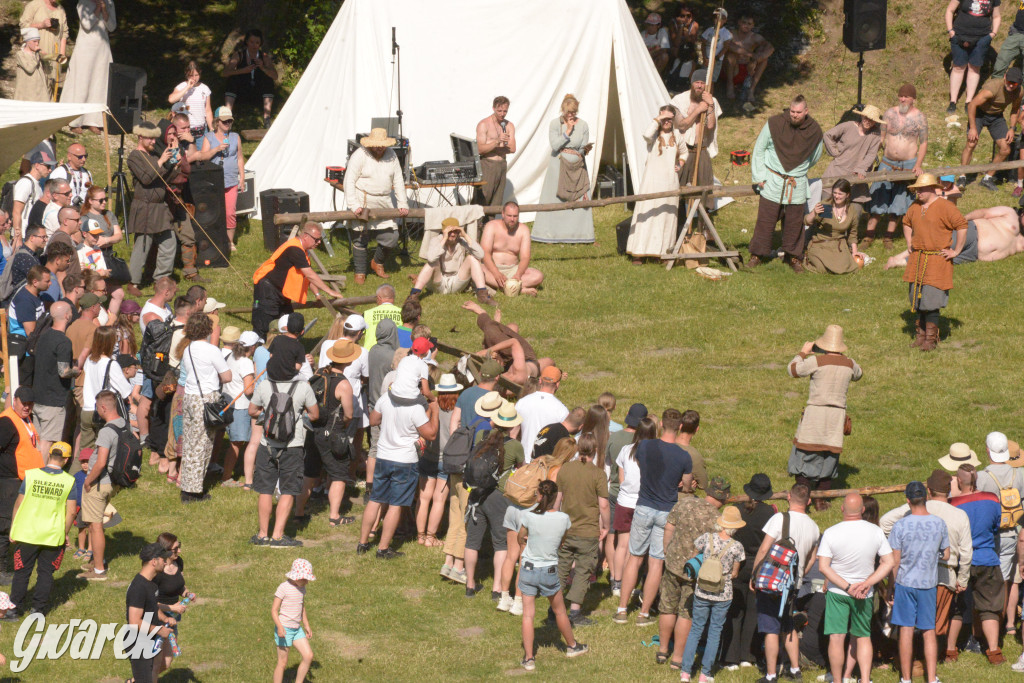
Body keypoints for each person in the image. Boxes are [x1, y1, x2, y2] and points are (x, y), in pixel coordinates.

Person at [880, 469, 973, 661]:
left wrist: (902, 542)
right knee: (934, 627)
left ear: (929, 490)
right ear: (948, 491)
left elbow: (885, 522)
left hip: (913, 570)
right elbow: (966, 553)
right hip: (945, 573)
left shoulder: (914, 508)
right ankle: (928, 665)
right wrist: (962, 579)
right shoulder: (959, 514)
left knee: (910, 624)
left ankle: (911, 663)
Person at [615, 409, 693, 626]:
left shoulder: (646, 447)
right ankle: (644, 613)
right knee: (656, 562)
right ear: (679, 428)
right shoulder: (683, 456)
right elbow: (686, 485)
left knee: (635, 557)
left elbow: (642, 466)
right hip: (667, 510)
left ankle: (621, 609)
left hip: (643, 506)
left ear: (661, 426)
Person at [357, 368, 439, 559]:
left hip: (384, 456)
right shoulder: (416, 408)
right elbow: (431, 434)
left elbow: (373, 419)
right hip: (405, 460)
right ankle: (383, 548)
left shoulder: (386, 398)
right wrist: (434, 413)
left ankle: (363, 543)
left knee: (376, 499)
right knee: (396, 504)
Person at [816, 493, 894, 683]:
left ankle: (837, 679)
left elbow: (823, 567)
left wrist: (847, 586)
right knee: (862, 636)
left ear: (842, 508)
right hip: (864, 592)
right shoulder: (875, 531)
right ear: (863, 510)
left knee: (836, 637)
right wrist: (867, 583)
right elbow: (888, 562)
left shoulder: (831, 532)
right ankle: (865, 679)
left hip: (838, 592)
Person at [655, 473, 727, 668]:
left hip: (672, 563)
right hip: (695, 571)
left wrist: (666, 548)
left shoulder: (685, 503)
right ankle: (677, 658)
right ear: (724, 498)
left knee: (667, 607)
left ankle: (662, 650)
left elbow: (669, 526)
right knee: (686, 613)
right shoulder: (718, 519)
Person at [249, 345, 318, 548]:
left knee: (265, 490)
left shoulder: (264, 386)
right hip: (293, 445)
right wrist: (301, 415)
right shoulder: (303, 387)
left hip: (267, 444)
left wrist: (266, 415)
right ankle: (278, 536)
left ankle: (262, 534)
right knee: (288, 490)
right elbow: (314, 414)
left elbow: (252, 410)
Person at [750, 484, 820, 683]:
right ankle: (795, 669)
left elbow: (764, 549)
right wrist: (799, 575)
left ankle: (771, 675)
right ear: (808, 501)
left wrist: (756, 576)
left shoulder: (780, 518)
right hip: (792, 584)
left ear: (789, 497)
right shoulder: (814, 527)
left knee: (770, 627)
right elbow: (812, 558)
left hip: (772, 582)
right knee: (788, 625)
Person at [746, 95, 824, 272]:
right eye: (792, 111)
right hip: (772, 181)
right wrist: (760, 176)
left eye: (798, 112)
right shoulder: (774, 124)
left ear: (806, 111)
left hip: (795, 183)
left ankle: (793, 256)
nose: (794, 115)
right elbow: (759, 149)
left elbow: (815, 157)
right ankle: (757, 254)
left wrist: (797, 171)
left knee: (794, 223)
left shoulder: (814, 131)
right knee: (765, 221)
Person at [787, 325, 862, 508]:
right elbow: (858, 374)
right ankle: (821, 500)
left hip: (816, 414)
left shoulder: (817, 361)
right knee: (829, 456)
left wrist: (803, 353)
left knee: (805, 454)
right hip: (836, 417)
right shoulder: (850, 364)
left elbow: (792, 370)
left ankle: (801, 500)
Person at [517, 480, 588, 671]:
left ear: (539, 496)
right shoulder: (564, 519)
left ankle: (529, 658)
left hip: (529, 569)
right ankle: (572, 646)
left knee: (528, 615)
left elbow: (519, 537)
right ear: (557, 496)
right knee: (560, 611)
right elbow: (561, 541)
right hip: (549, 570)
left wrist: (528, 540)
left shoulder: (529, 516)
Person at [889, 481, 952, 683]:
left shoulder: (900, 525)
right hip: (928, 583)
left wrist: (891, 586)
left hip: (905, 582)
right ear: (926, 498)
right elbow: (947, 554)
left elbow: (895, 561)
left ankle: (906, 678)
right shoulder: (939, 523)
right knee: (928, 631)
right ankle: (931, 678)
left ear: (908, 500)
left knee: (905, 631)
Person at [901, 173, 968, 352]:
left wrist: (956, 250)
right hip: (918, 257)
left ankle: (931, 339)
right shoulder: (915, 206)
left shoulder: (945, 207)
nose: (917, 193)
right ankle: (920, 336)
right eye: (916, 189)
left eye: (920, 189)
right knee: (916, 299)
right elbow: (906, 222)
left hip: (937, 259)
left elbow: (962, 225)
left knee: (931, 300)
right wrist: (909, 242)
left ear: (932, 188)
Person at [679, 506, 746, 683]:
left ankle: (685, 672)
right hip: (722, 594)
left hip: (701, 591)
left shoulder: (706, 538)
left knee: (696, 629)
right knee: (715, 631)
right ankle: (705, 673)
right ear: (735, 527)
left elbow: (695, 557)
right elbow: (735, 573)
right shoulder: (737, 547)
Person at [8, 441, 75, 616]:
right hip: (53, 536)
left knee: (22, 572)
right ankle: (38, 610)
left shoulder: (30, 476)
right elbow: (71, 513)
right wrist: (65, 533)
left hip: (27, 533)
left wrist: (13, 528)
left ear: (49, 455)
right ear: (66, 460)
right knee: (45, 573)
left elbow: (18, 504)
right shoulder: (69, 481)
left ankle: (14, 609)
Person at [949, 463, 1007, 665]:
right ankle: (994, 651)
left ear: (958, 480)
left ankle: (950, 651)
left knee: (955, 607)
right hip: (987, 558)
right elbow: (996, 525)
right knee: (990, 607)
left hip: (960, 561)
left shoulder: (953, 504)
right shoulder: (992, 499)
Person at [463, 404, 524, 597]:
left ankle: (470, 584)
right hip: (499, 497)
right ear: (513, 425)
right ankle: (497, 587)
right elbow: (520, 469)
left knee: (472, 541)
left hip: (476, 493)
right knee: (501, 543)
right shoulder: (515, 446)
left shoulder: (482, 437)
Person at [251, 221, 342, 340]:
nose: (319, 242)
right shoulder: (294, 249)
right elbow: (310, 274)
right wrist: (330, 291)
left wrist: (317, 294)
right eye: (316, 239)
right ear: (305, 236)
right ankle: (258, 351)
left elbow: (306, 277)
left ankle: (285, 348)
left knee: (290, 323)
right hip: (268, 290)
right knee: (263, 327)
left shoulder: (303, 251)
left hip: (281, 293)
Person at [864, 84, 928, 249]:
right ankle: (868, 236)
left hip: (908, 165)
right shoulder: (889, 114)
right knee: (877, 199)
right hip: (886, 162)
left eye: (906, 96)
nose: (903, 99)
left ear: (913, 98)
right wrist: (869, 160)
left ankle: (888, 237)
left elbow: (923, 143)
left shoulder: (920, 117)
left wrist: (918, 165)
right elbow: (881, 138)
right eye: (901, 96)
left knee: (899, 203)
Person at [722, 474, 776, 669]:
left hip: (736, 563)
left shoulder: (736, 510)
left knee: (734, 611)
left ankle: (730, 658)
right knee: (753, 612)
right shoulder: (771, 513)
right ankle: (748, 656)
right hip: (758, 565)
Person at [555, 432, 609, 624]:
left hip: (566, 530)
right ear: (595, 450)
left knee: (562, 568)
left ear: (578, 448)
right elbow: (603, 505)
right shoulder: (598, 474)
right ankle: (575, 613)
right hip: (588, 531)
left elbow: (557, 499)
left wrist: (554, 521)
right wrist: (607, 526)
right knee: (583, 571)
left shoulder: (565, 469)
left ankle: (555, 610)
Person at [344, 128, 410, 284]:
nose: (380, 148)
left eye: (382, 145)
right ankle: (360, 272)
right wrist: (354, 205)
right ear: (371, 143)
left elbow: (398, 180)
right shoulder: (359, 155)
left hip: (384, 202)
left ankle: (377, 262)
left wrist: (402, 203)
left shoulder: (391, 155)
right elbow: (349, 181)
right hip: (362, 200)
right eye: (376, 145)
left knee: (392, 236)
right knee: (361, 238)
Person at [178, 312, 230, 504]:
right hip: (206, 398)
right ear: (207, 329)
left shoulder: (188, 349)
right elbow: (227, 376)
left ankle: (187, 486)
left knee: (190, 442)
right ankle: (194, 491)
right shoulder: (211, 350)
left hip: (190, 397)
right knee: (202, 445)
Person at [626, 105, 685, 262]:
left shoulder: (678, 136)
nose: (666, 122)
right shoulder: (653, 135)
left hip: (669, 182)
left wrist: (679, 164)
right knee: (647, 214)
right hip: (651, 181)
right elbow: (646, 135)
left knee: (666, 216)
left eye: (669, 119)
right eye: (664, 119)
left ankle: (664, 252)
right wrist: (659, 119)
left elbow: (684, 152)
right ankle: (638, 252)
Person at [532, 95, 595, 244]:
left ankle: (580, 235)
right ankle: (549, 235)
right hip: (558, 165)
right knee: (555, 198)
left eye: (573, 111)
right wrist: (567, 131)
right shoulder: (555, 124)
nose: (571, 115)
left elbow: (581, 146)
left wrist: (584, 150)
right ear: (563, 110)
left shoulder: (584, 124)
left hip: (577, 166)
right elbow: (555, 145)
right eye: (568, 112)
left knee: (580, 196)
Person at [77, 390, 125, 581]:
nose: (97, 411)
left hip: (98, 483)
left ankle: (98, 570)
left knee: (95, 526)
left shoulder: (106, 431)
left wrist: (88, 480)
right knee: (98, 524)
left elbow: (101, 462)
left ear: (103, 407)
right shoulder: (123, 424)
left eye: (97, 407)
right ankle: (98, 561)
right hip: (112, 482)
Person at [127, 121, 181, 289]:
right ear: (141, 137)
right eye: (150, 139)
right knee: (142, 246)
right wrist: (162, 161)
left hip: (160, 207)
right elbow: (146, 178)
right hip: (145, 207)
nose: (153, 142)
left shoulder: (153, 157)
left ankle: (161, 279)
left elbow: (164, 179)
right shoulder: (134, 157)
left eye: (154, 139)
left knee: (169, 243)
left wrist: (173, 164)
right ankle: (133, 282)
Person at [311, 339, 359, 525]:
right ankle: (334, 516)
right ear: (349, 360)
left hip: (314, 429)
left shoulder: (320, 373)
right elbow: (348, 414)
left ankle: (299, 512)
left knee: (310, 472)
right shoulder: (344, 384)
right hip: (334, 432)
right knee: (339, 474)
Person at [0, 387, 44, 584]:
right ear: (14, 400)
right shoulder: (7, 422)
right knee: (4, 526)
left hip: (23, 480)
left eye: (30, 403)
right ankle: (1, 571)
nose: (27, 406)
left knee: (15, 525)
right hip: (8, 482)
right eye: (23, 402)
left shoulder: (24, 419)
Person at [962, 67, 1023, 191]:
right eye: (1009, 82)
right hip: (979, 113)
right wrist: (973, 127)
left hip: (996, 117)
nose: (1011, 86)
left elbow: (1014, 110)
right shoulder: (992, 88)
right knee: (971, 143)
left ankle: (988, 178)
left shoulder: (1019, 92)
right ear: (1005, 77)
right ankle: (962, 176)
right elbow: (972, 104)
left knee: (1005, 149)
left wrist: (1012, 128)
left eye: (1014, 84)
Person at [60, 0, 115, 134]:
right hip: (86, 48)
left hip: (102, 49)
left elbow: (112, 27)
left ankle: (94, 120)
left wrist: (105, 10)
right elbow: (87, 24)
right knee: (81, 83)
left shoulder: (109, 3)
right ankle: (75, 120)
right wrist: (97, 9)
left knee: (99, 84)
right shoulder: (83, 3)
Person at [31, 301, 79, 456]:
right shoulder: (63, 341)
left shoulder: (44, 336)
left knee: (38, 440)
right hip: (53, 399)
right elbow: (64, 372)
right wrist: (76, 371)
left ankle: (30, 474)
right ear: (66, 315)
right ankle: (40, 475)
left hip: (38, 396)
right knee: (47, 441)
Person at [410, 218, 495, 304]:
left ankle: (483, 295)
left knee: (472, 258)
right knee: (432, 263)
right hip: (439, 282)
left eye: (455, 231)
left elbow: (480, 255)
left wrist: (465, 235)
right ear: (443, 231)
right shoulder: (436, 240)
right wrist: (444, 238)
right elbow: (431, 258)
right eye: (449, 231)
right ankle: (414, 295)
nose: (453, 234)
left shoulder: (462, 241)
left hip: (457, 281)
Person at [672, 69, 722, 213]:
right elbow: (682, 124)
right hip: (684, 151)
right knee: (676, 187)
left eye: (702, 83)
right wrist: (698, 109)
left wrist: (710, 105)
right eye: (697, 82)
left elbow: (710, 126)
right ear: (691, 83)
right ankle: (678, 223)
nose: (699, 86)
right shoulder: (679, 100)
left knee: (705, 189)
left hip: (702, 149)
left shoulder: (712, 101)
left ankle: (704, 227)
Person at [125, 542, 176, 683]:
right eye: (162, 559)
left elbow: (153, 607)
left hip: (149, 636)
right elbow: (134, 622)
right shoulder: (139, 587)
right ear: (154, 561)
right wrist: (159, 631)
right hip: (138, 641)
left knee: (165, 662)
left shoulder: (151, 583)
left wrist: (165, 618)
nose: (165, 562)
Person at [201, 106, 246, 249]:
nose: (227, 124)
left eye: (229, 121)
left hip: (231, 181)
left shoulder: (235, 137)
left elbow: (239, 158)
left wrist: (242, 178)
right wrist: (216, 149)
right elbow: (202, 158)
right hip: (214, 182)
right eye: (224, 121)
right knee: (214, 212)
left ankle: (229, 241)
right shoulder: (209, 137)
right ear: (217, 122)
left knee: (230, 213)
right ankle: (215, 239)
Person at [946, 0, 1002, 114]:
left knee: (974, 68)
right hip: (959, 35)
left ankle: (969, 101)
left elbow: (996, 16)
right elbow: (949, 10)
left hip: (982, 39)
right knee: (958, 68)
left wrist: (993, 34)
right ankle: (952, 101)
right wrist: (951, 31)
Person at [479, 201, 544, 296]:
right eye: (509, 216)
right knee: (477, 269)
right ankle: (517, 289)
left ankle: (505, 287)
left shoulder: (523, 230)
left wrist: (518, 274)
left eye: (515, 216)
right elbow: (485, 253)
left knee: (538, 276)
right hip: (491, 269)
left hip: (512, 270)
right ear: (503, 214)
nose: (512, 219)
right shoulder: (491, 226)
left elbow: (525, 257)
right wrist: (496, 273)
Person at [821, 105, 884, 204]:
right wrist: (835, 152)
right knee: (826, 208)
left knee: (855, 211)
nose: (868, 121)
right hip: (837, 171)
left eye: (871, 120)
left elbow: (871, 154)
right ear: (862, 117)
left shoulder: (875, 134)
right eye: (866, 118)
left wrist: (861, 168)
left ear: (875, 121)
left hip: (856, 177)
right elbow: (827, 135)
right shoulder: (848, 126)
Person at [152, 532, 193, 680]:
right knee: (156, 662)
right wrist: (172, 608)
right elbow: (150, 602)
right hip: (156, 618)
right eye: (176, 549)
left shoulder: (178, 562)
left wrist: (187, 594)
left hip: (172, 619)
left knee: (167, 662)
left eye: (179, 546)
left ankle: (138, 679)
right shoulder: (157, 572)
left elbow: (178, 585)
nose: (179, 551)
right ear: (166, 550)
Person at [221, 330, 258, 487]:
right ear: (253, 347)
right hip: (240, 406)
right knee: (236, 443)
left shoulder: (231, 356)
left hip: (228, 402)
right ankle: (226, 477)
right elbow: (249, 389)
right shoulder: (246, 362)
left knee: (236, 442)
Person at [803, 179, 863, 274]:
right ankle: (809, 258)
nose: (836, 196)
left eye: (840, 194)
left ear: (847, 195)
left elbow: (853, 234)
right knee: (822, 269)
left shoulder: (851, 211)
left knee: (846, 268)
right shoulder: (826, 206)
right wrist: (814, 213)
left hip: (838, 245)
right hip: (821, 244)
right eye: (834, 193)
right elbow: (807, 221)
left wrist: (854, 252)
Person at [272, 558, 315, 683]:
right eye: (305, 579)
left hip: (297, 629)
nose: (307, 582)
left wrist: (306, 624)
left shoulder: (301, 588)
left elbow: (301, 606)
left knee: (308, 656)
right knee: (282, 663)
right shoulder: (283, 588)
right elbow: (274, 610)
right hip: (284, 629)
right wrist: (280, 627)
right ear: (297, 577)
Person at [223, 28, 278, 127]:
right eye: (252, 42)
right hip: (241, 91)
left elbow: (275, 76)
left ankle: (267, 118)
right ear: (247, 42)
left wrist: (263, 67)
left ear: (260, 44)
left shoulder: (264, 57)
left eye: (257, 43)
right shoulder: (239, 55)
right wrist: (242, 70)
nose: (254, 45)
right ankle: (227, 116)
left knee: (268, 80)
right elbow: (225, 73)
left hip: (257, 92)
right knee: (232, 79)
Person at [517, 366, 568, 460]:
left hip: (522, 459)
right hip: (545, 463)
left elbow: (514, 431)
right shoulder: (562, 410)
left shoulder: (522, 402)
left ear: (540, 381)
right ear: (557, 384)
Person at [475, 96, 516, 208]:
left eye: (505, 111)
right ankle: (478, 225)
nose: (502, 114)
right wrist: (497, 141)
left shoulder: (509, 125)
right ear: (493, 108)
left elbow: (512, 148)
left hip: (502, 164)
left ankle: (491, 224)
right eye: (499, 111)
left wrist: (492, 147)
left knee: (496, 201)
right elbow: (479, 149)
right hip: (487, 165)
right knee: (483, 199)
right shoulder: (484, 124)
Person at [19, 0, 67, 94]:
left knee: (50, 87)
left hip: (54, 56)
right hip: (37, 52)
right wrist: (41, 25)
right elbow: (23, 26)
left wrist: (61, 55)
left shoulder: (60, 9)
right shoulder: (34, 5)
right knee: (36, 85)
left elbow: (64, 33)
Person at [723, 15, 774, 103]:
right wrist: (751, 55)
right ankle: (730, 86)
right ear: (739, 22)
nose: (746, 25)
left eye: (749, 24)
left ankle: (751, 90)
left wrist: (757, 59)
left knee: (764, 60)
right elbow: (729, 46)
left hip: (748, 70)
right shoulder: (730, 33)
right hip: (731, 70)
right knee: (731, 56)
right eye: (744, 23)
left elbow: (770, 48)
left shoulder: (755, 37)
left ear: (753, 25)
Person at [7, 265, 49, 364]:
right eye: (47, 281)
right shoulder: (25, 301)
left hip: (30, 349)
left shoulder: (34, 294)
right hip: (25, 352)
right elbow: (31, 332)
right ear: (35, 282)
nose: (50, 283)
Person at [11, 151, 53, 244]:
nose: (50, 170)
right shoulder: (25, 183)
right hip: (23, 236)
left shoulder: (36, 184)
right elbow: (16, 211)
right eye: (48, 166)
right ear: (37, 165)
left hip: (30, 235)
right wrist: (18, 238)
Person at [168, 60, 214, 137]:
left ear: (200, 73)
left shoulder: (205, 88)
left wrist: (212, 129)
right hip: (185, 129)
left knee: (203, 149)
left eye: (196, 75)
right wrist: (187, 87)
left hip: (201, 129)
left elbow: (208, 110)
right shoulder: (182, 86)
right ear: (187, 74)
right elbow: (171, 99)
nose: (194, 78)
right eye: (191, 75)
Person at [674, 410, 709, 492]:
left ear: (680, 426)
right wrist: (692, 482)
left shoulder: (665, 443)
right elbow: (703, 484)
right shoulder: (694, 455)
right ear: (697, 429)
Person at [13, 28, 48, 103]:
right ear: (27, 41)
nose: (37, 44)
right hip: (27, 90)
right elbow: (29, 68)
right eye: (34, 41)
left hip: (39, 89)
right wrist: (37, 55)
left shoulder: (36, 54)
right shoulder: (21, 54)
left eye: (38, 41)